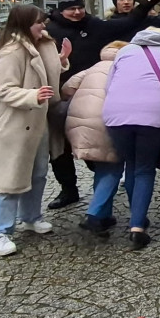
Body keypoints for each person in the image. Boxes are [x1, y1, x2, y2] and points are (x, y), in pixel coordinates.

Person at [44, 0, 160, 210]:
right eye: (72, 9)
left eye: (80, 7)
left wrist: (146, 4)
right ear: (61, 11)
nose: (78, 12)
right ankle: (68, 189)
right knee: (59, 148)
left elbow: (126, 24)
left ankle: (103, 180)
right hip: (62, 92)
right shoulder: (51, 31)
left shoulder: (94, 25)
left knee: (94, 141)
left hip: (93, 93)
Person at [0, 5, 68, 256]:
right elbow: (5, 90)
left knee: (37, 174)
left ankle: (31, 217)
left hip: (34, 124)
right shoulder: (10, 52)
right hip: (9, 126)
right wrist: (33, 95)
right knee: (6, 180)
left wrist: (59, 62)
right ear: (25, 24)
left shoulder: (36, 45)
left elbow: (42, 75)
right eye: (40, 22)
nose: (44, 26)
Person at [101, 27, 160, 248]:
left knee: (131, 164)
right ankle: (137, 226)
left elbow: (109, 86)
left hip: (116, 113)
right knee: (145, 168)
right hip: (153, 114)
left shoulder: (124, 52)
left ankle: (137, 212)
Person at [64, 41, 128, 236]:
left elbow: (67, 88)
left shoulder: (91, 69)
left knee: (102, 167)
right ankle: (94, 214)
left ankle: (104, 215)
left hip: (80, 123)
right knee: (113, 167)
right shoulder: (124, 69)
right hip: (107, 122)